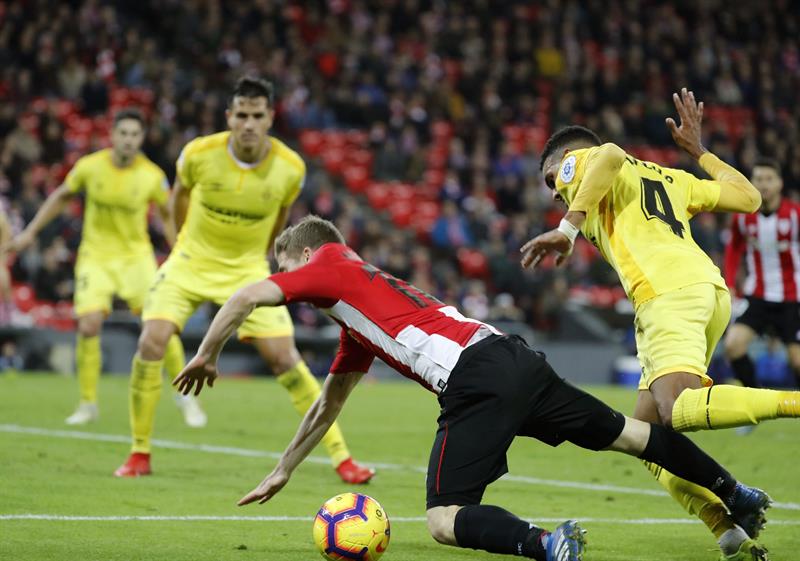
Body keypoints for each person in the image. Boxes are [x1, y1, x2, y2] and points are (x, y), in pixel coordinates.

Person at [173, 215, 770, 561]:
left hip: (474, 378)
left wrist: (205, 353)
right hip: (511, 355)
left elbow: (248, 294)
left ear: (304, 254)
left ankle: (545, 544)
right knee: (634, 435)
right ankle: (734, 491)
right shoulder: (358, 311)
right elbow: (325, 407)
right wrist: (283, 468)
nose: (289, 281)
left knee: (442, 517)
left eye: (289, 266)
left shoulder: (329, 265)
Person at [520, 89, 800, 560]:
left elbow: (607, 153)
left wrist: (567, 226)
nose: (554, 190)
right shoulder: (672, 177)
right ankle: (723, 524)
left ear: (567, 159)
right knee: (643, 434)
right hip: (703, 292)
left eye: (553, 177)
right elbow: (749, 198)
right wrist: (701, 154)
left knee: (676, 410)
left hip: (666, 295)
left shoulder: (579, 164)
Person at [113, 77, 373, 484]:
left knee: (285, 358)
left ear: (269, 118)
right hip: (190, 262)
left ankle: (343, 459)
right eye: (241, 115)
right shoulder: (198, 154)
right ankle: (139, 453)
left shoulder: (290, 168)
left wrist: (263, 260)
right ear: (229, 117)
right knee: (152, 340)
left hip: (247, 268)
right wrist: (182, 242)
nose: (249, 123)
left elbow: (282, 218)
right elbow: (177, 199)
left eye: (257, 115)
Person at [5, 108, 205, 428]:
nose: (128, 140)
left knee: (160, 326)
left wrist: (181, 251)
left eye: (134, 135)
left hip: (135, 258)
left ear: (141, 139)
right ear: (112, 135)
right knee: (88, 325)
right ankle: (87, 404)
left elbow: (168, 216)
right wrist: (30, 232)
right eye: (122, 133)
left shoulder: (152, 175)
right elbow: (60, 196)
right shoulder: (90, 167)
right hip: (95, 257)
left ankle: (185, 397)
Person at [723, 158, 800, 390]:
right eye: (758, 179)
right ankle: (754, 400)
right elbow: (734, 249)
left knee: (797, 361)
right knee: (732, 346)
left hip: (792, 299)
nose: (763, 185)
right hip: (756, 296)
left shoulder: (795, 215)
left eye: (769, 179)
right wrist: (730, 282)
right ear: (751, 183)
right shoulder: (743, 216)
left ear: (779, 184)